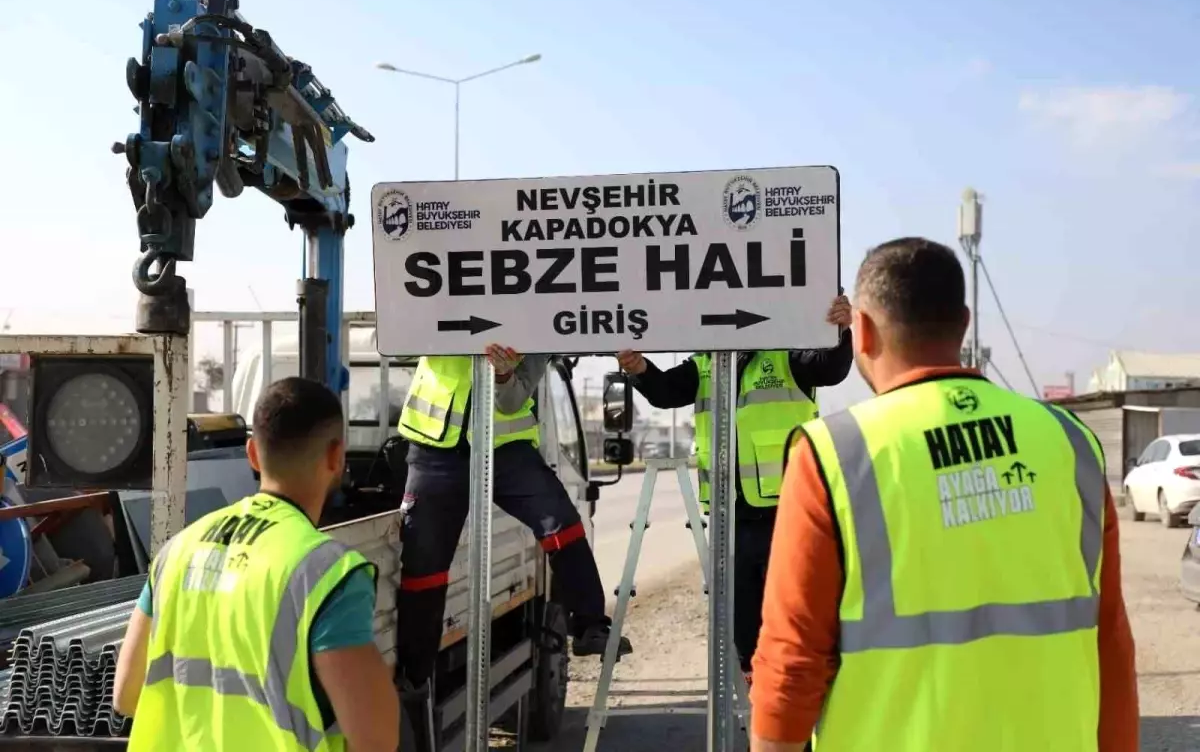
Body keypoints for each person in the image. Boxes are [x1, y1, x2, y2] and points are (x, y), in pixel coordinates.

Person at [749, 237, 1139, 752]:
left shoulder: (837, 454)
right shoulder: (1071, 444)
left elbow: (792, 661)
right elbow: (1110, 641)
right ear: (964, 322)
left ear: (861, 330)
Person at [113, 377, 400, 752]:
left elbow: (126, 696)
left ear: (251, 453)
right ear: (335, 457)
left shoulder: (177, 551)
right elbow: (376, 739)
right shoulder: (325, 572)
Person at [615, 293, 853, 682]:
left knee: (797, 619)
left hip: (789, 513)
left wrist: (842, 333)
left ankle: (804, 721)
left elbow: (829, 369)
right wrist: (640, 368)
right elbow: (665, 392)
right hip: (733, 517)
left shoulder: (785, 354)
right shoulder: (707, 363)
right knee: (746, 629)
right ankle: (759, 715)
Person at [394, 345, 631, 691]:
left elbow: (510, 401)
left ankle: (590, 625)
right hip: (436, 447)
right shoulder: (440, 301)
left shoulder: (535, 320)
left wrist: (503, 374)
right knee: (424, 568)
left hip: (506, 450)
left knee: (562, 523)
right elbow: (399, 343)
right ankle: (415, 679)